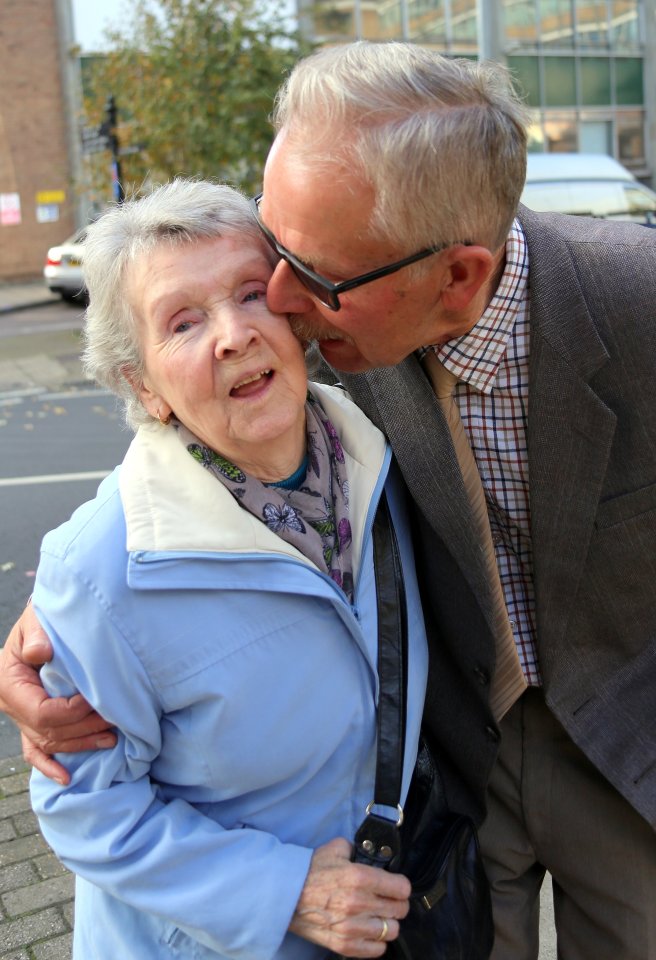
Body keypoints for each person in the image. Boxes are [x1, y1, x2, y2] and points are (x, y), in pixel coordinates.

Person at [2, 40, 655, 959]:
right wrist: (64, 617)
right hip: (455, 770)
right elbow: (191, 464)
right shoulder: (340, 323)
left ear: (454, 280)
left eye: (301, 276)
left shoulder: (635, 307)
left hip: (625, 751)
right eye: (276, 246)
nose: (274, 304)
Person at [21, 177, 429, 959]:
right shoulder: (100, 572)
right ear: (143, 384)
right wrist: (287, 894)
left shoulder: (379, 449)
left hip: (387, 915)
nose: (234, 333)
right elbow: (84, 809)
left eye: (251, 293)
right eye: (183, 322)